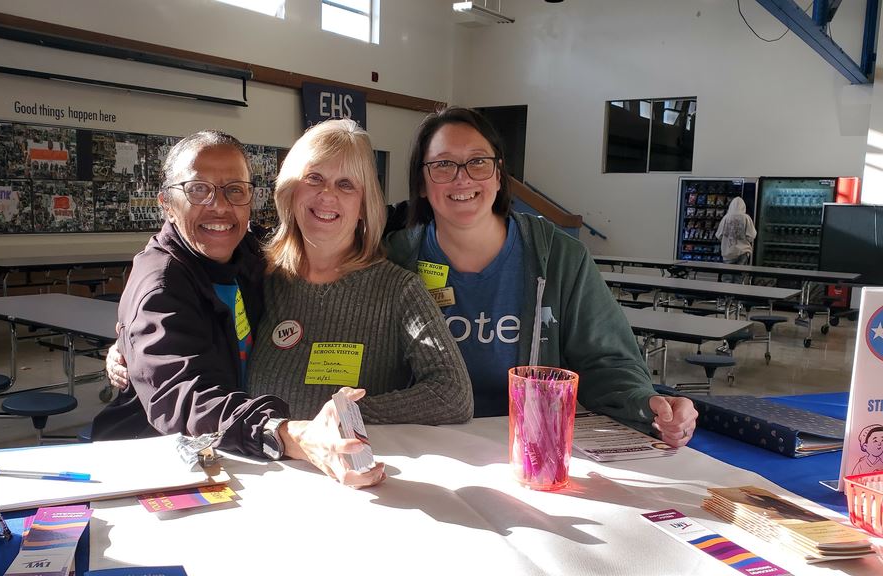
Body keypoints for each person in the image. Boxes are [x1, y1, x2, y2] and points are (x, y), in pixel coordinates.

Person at [386, 106, 698, 447]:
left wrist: (647, 405)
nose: (463, 178)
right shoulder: (393, 261)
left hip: (531, 454)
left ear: (499, 174)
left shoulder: (560, 259)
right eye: (443, 164)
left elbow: (606, 360)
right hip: (424, 451)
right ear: (420, 182)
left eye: (478, 161)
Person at [91, 130, 386, 488]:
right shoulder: (160, 285)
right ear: (166, 202)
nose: (219, 206)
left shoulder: (250, 253)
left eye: (235, 189)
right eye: (198, 189)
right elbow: (183, 396)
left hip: (236, 451)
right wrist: (283, 432)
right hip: (153, 462)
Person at [245, 119, 474, 425]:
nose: (328, 195)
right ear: (290, 189)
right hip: (267, 465)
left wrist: (349, 415)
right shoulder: (259, 278)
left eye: (346, 184)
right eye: (314, 177)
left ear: (365, 205)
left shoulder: (398, 290)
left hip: (356, 467)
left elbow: (453, 395)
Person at [715, 196, 756, 268]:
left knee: (727, 276)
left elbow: (719, 235)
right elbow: (751, 236)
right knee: (740, 276)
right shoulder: (746, 218)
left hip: (728, 253)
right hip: (742, 252)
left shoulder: (726, 218)